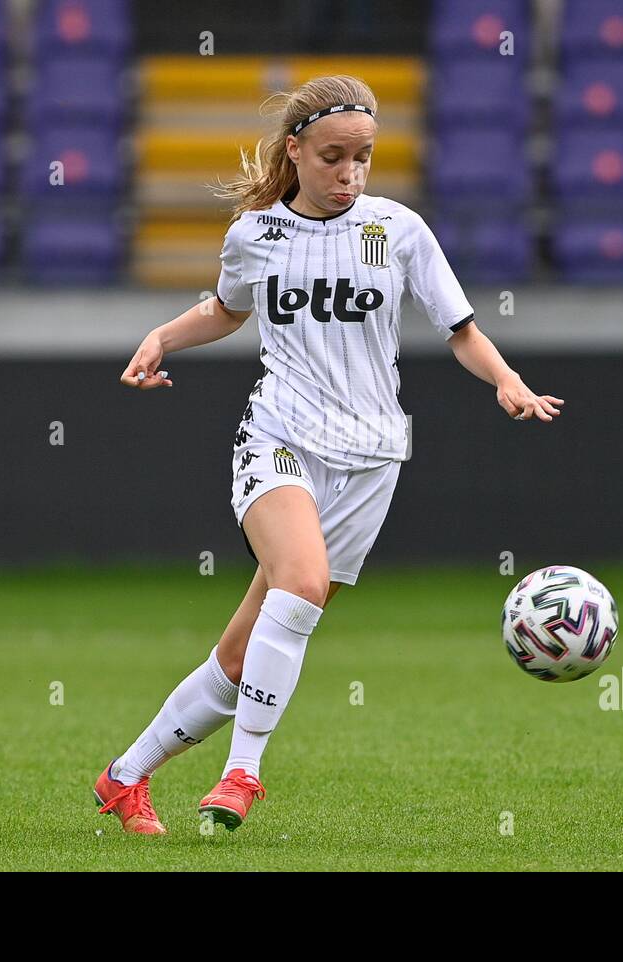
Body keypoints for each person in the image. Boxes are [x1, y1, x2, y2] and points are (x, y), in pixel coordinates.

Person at [96, 75, 562, 834]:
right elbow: (225, 308)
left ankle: (124, 777)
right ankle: (241, 775)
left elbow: (462, 329)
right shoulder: (255, 235)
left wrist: (508, 381)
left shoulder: (398, 231)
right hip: (280, 437)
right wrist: (161, 336)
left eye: (364, 158)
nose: (350, 174)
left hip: (372, 458)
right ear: (296, 151)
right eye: (333, 157)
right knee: (302, 584)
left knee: (247, 656)